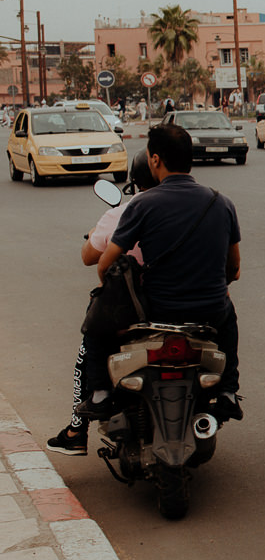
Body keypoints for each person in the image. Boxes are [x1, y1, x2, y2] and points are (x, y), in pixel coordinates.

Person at [95, 124, 242, 420]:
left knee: (99, 323)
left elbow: (104, 264)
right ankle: (228, 389)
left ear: (155, 160)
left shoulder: (143, 204)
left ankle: (101, 393)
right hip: (210, 311)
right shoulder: (221, 202)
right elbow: (234, 268)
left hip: (158, 311)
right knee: (229, 317)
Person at [47, 151, 155, 455]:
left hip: (129, 309)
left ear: (135, 182)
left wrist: (96, 234)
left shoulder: (123, 212)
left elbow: (91, 258)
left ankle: (79, 427)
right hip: (178, 303)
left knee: (89, 342)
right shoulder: (193, 206)